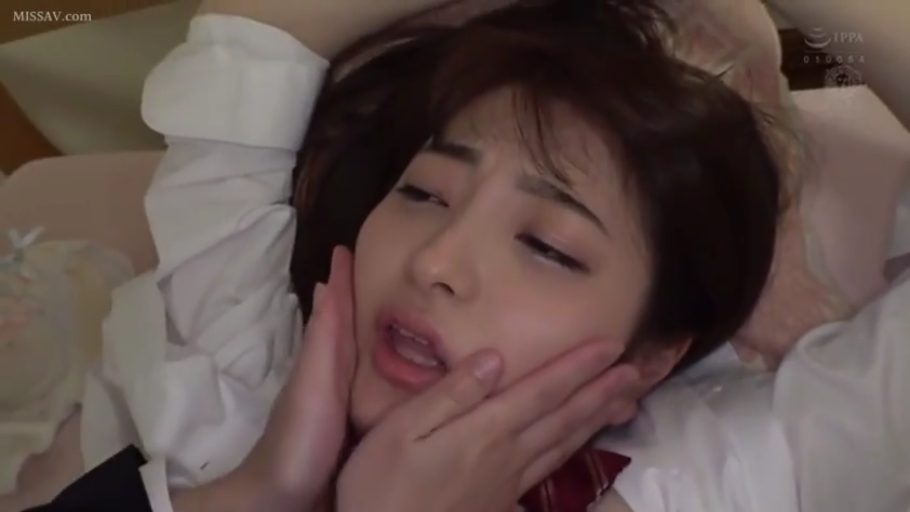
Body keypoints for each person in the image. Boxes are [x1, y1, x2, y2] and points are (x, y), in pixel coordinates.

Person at [24, 0, 910, 512]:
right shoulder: (253, 374)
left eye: (545, 245)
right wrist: (263, 489)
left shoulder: (711, 478)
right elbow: (252, 40)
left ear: (651, 355)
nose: (436, 260)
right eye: (423, 193)